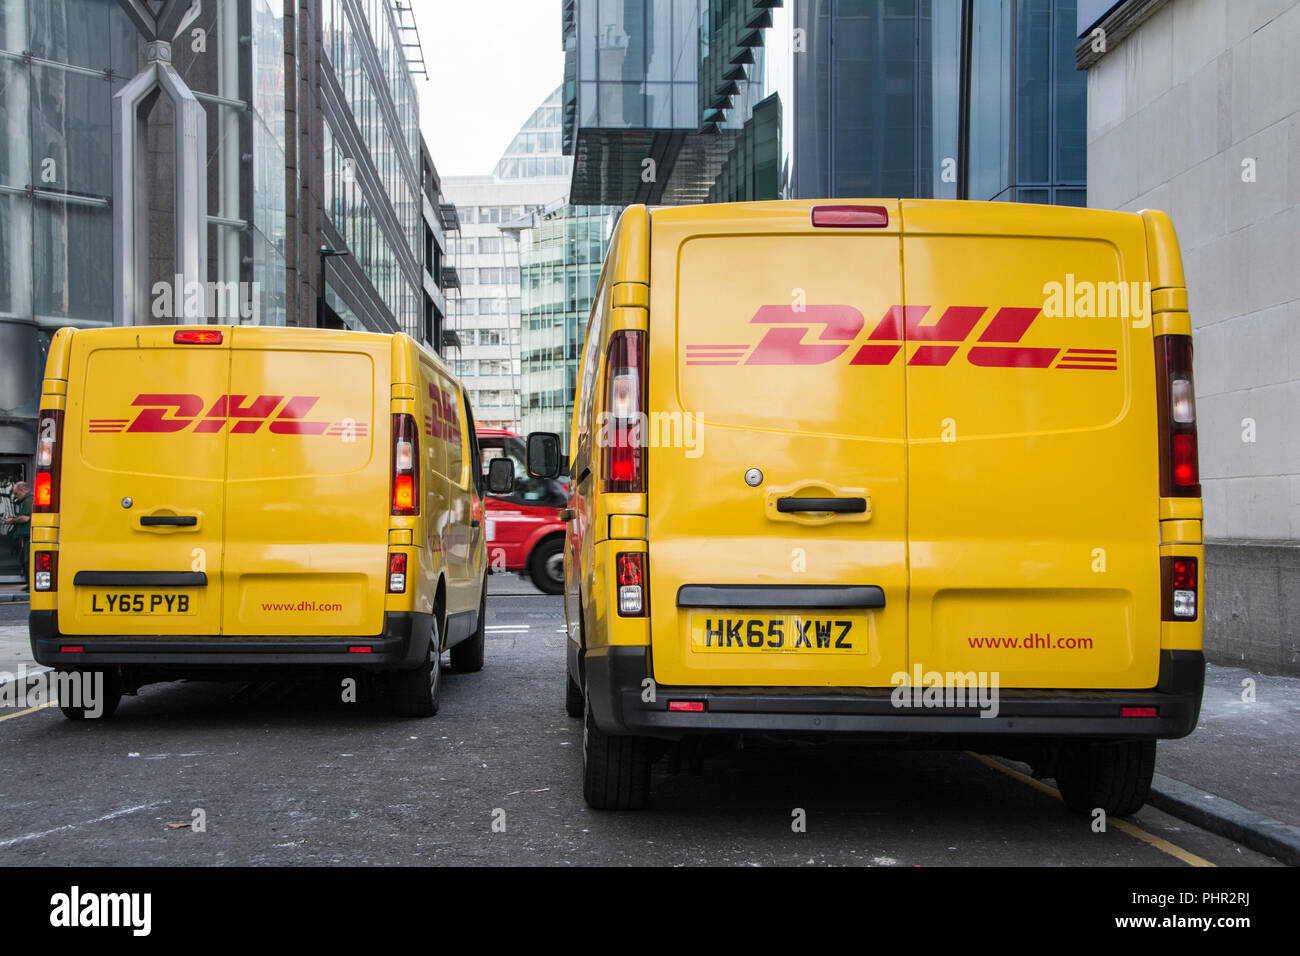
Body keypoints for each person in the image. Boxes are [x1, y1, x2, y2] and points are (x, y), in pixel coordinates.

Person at [4, 481, 32, 586]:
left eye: (17, 493)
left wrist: (12, 521)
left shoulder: (29, 500)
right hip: (24, 535)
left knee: (27, 560)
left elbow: (26, 518)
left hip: (28, 535)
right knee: (23, 560)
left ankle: (30, 584)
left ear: (23, 490)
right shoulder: (25, 500)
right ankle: (28, 583)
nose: (16, 496)